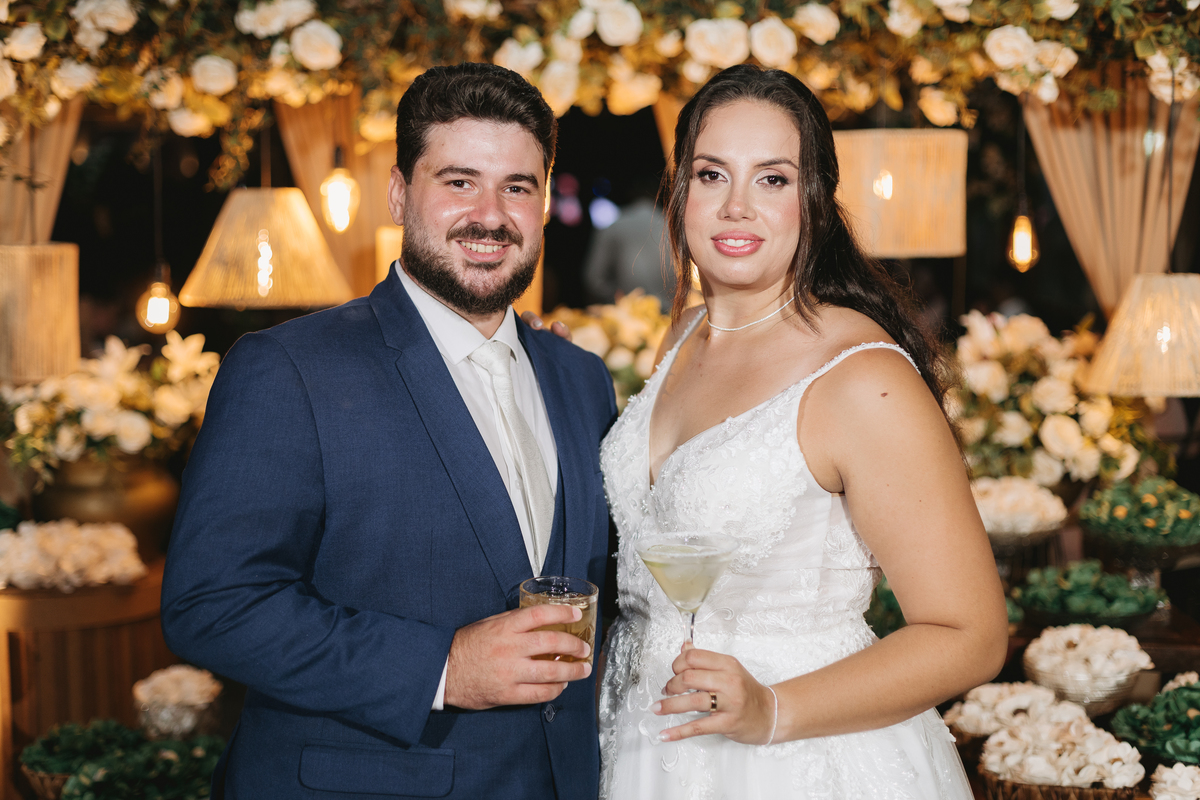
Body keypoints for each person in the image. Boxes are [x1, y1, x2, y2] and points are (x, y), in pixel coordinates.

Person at [161, 63, 617, 799]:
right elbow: (212, 605)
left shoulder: (580, 377)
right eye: (459, 182)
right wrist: (443, 668)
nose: (490, 215)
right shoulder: (289, 369)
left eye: (517, 187)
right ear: (401, 193)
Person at [595, 65, 1008, 798]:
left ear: (814, 200)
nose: (737, 207)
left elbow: (970, 635)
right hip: (645, 743)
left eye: (772, 179)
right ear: (679, 191)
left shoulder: (861, 378)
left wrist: (773, 710)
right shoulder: (683, 334)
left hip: (791, 759)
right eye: (712, 175)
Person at [583, 179, 675, 305]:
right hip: (672, 311)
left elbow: (593, 278)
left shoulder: (614, 225)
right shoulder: (673, 226)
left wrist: (614, 297)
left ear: (630, 194)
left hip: (626, 312)